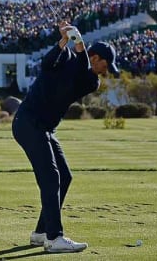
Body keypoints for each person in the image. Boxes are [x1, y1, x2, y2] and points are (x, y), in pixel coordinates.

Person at [12, 21, 119, 253]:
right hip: (28, 122)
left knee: (65, 176)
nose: (106, 70)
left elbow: (80, 71)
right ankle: (54, 238)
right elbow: (46, 63)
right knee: (51, 177)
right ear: (96, 58)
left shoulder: (91, 80)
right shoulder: (65, 57)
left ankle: (41, 232)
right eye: (106, 64)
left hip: (44, 128)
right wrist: (64, 41)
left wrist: (78, 42)